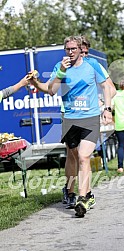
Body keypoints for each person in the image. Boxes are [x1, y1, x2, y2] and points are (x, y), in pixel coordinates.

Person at [28, 35, 112, 217]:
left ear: (81, 49)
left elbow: (106, 87)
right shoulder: (60, 67)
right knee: (73, 156)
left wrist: (107, 109)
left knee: (84, 157)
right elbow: (51, 90)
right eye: (68, 49)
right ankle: (84, 193)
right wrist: (55, 74)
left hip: (90, 118)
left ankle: (81, 199)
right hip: (70, 118)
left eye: (74, 49)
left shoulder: (92, 66)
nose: (71, 52)